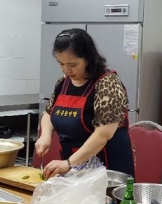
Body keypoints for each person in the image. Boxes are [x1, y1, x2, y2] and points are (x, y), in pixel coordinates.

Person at [36, 28, 135, 178]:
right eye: (61, 64)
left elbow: (103, 135)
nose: (66, 70)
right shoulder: (63, 82)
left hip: (107, 174)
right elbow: (49, 113)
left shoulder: (107, 83)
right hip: (73, 169)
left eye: (73, 65)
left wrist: (68, 163)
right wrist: (45, 135)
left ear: (88, 58)